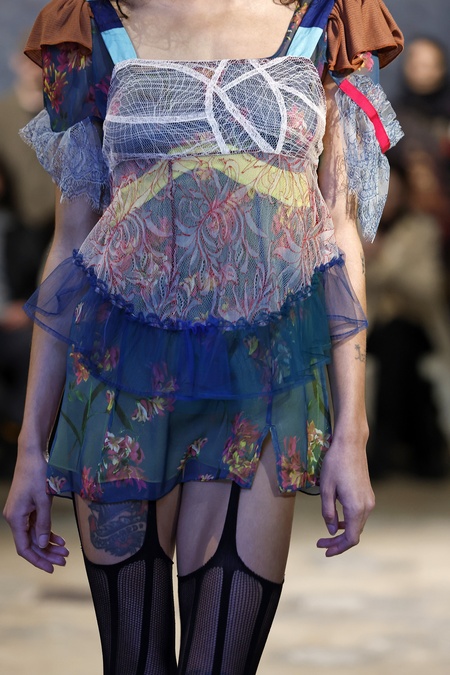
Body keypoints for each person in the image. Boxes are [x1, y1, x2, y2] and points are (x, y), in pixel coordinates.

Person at [3, 1, 403, 673]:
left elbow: (338, 231)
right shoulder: (90, 20)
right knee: (133, 660)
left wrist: (351, 433)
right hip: (123, 379)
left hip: (263, 380)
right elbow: (72, 238)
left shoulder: (329, 19)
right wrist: (30, 449)